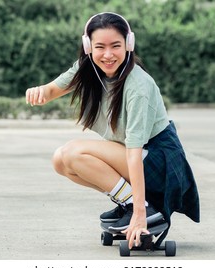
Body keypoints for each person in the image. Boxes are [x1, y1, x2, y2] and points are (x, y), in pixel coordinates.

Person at [25, 12, 199, 249]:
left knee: (72, 153)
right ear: (88, 47)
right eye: (100, 47)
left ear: (128, 45)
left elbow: (134, 152)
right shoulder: (89, 69)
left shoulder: (138, 86)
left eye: (115, 46)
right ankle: (130, 202)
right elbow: (52, 91)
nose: (108, 54)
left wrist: (140, 214)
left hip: (160, 163)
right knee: (60, 161)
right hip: (139, 158)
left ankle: (141, 207)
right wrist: (39, 91)